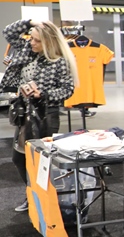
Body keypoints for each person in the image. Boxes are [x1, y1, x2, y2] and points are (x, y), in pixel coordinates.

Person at [3, 19, 77, 212]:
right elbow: (9, 31)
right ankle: (33, 194)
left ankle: (42, 200)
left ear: (48, 42)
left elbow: (67, 90)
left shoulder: (60, 61)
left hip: (46, 114)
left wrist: (42, 94)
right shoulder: (27, 50)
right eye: (32, 38)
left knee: (41, 161)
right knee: (19, 158)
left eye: (37, 40)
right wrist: (31, 22)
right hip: (24, 112)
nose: (32, 42)